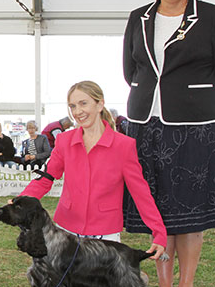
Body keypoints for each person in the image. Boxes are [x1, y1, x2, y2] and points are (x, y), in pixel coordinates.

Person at [123, 0, 215, 287]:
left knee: (190, 212)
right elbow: (130, 69)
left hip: (194, 126)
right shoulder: (138, 17)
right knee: (155, 211)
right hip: (145, 124)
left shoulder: (208, 17)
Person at [15, 81, 166, 253]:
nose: (77, 112)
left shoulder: (124, 146)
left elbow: (140, 192)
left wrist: (159, 232)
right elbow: (46, 178)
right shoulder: (64, 141)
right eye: (72, 106)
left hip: (106, 235)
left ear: (100, 104)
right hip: (66, 230)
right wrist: (19, 201)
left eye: (83, 103)